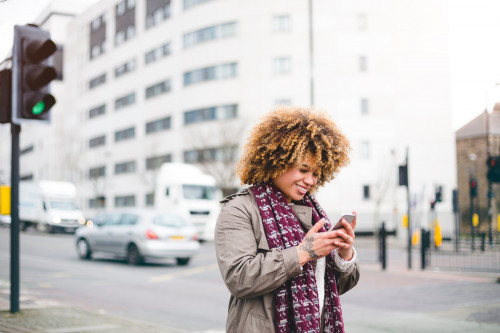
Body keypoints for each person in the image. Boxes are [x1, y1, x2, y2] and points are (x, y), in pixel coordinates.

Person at [215, 107, 360, 333]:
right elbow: (239, 278)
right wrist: (303, 253)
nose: (310, 180)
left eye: (316, 174)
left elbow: (330, 287)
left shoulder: (313, 212)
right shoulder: (239, 209)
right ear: (278, 160)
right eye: (303, 169)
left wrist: (344, 254)